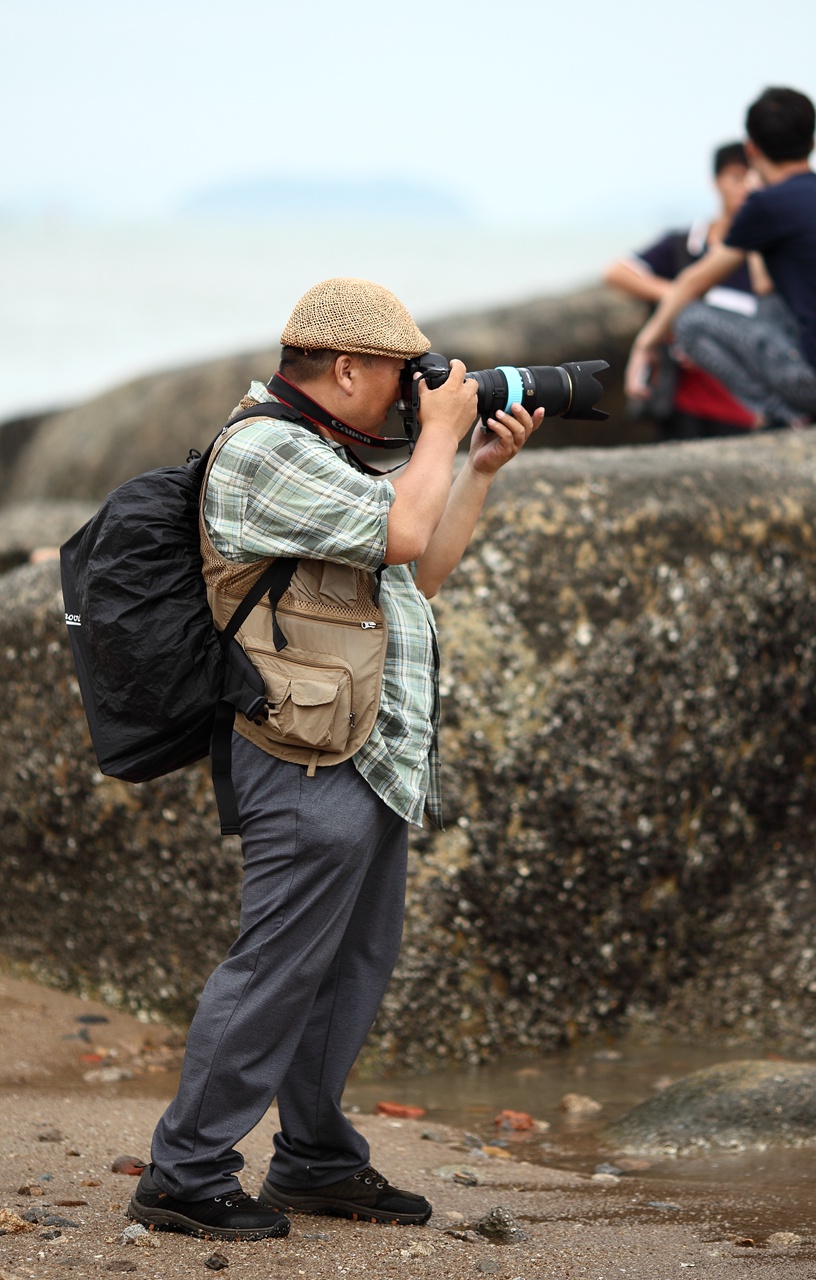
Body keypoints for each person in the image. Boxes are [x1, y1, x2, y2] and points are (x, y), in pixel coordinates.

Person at [128, 277, 544, 1242]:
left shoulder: (326, 452)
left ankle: (314, 1160)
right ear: (347, 366)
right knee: (276, 966)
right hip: (304, 751)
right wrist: (438, 436)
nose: (417, 395)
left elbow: (416, 571)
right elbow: (402, 529)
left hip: (368, 751)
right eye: (405, 376)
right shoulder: (267, 450)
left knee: (347, 967)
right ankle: (183, 1174)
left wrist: (474, 466)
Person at [625, 88, 816, 427]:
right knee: (774, 301)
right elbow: (766, 291)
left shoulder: (768, 205)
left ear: (751, 149)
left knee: (688, 319)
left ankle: (785, 416)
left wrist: (645, 343)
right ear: (813, 143)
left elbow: (693, 281)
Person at [605, 142, 769, 438]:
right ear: (716, 181)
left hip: (744, 409)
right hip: (682, 404)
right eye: (736, 177)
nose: (745, 188)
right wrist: (676, 296)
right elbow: (617, 271)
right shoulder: (685, 244)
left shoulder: (766, 255)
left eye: (753, 178)